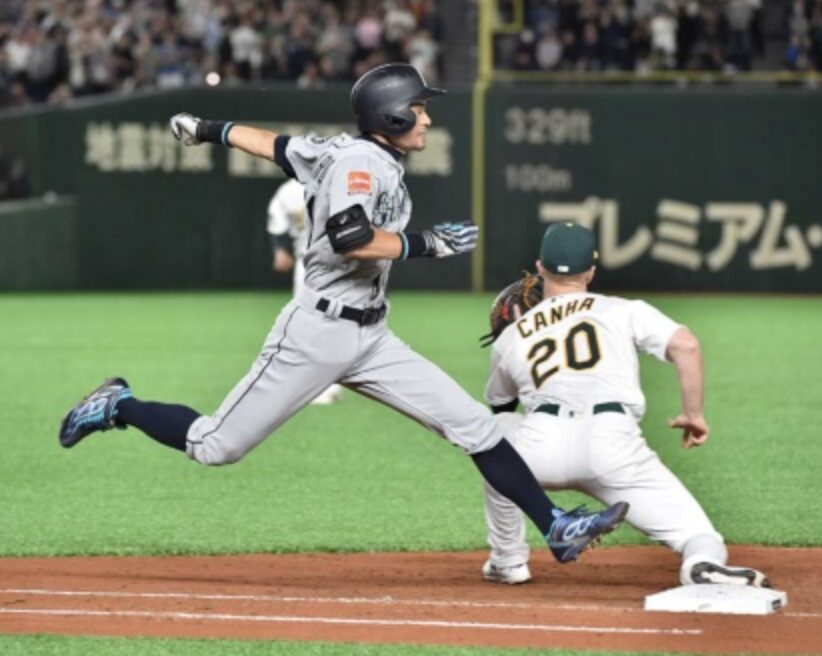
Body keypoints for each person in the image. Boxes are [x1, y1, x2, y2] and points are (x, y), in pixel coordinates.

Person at [58, 63, 628, 566]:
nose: (428, 119)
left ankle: (554, 524)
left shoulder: (342, 150)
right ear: (395, 116)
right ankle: (118, 405)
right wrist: (427, 245)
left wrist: (208, 130)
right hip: (315, 334)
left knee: (474, 426)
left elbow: (275, 145)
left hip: (373, 336)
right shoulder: (362, 163)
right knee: (216, 446)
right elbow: (351, 236)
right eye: (420, 108)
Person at [480, 221, 771, 588]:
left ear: (539, 268)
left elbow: (500, 406)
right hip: (614, 448)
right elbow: (686, 345)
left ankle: (508, 561)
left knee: (491, 443)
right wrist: (693, 414)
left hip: (541, 449)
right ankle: (699, 563)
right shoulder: (622, 310)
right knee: (698, 535)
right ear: (591, 271)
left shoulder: (512, 336)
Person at [266, 177, 342, 405]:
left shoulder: (344, 182)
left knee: (337, 324)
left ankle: (329, 382)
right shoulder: (289, 191)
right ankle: (320, 383)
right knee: (310, 325)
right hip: (308, 264)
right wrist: (280, 250)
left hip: (345, 262)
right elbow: (277, 224)